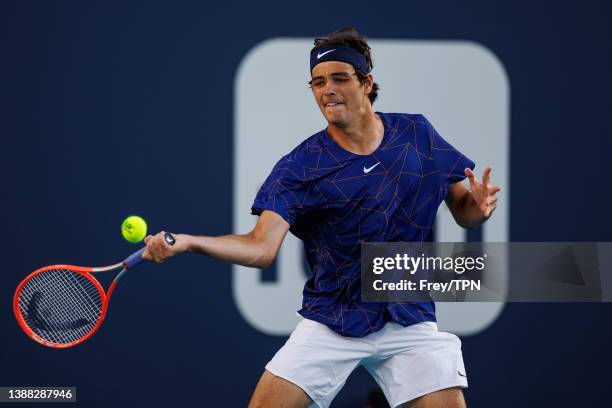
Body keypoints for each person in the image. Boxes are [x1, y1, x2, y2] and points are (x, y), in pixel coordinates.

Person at [143, 27, 500, 408]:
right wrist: (189, 242)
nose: (327, 90)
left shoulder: (417, 134)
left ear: (366, 82)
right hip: (334, 319)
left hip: (408, 315)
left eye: (339, 79)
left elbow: (464, 212)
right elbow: (260, 247)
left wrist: (475, 209)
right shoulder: (300, 167)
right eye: (317, 82)